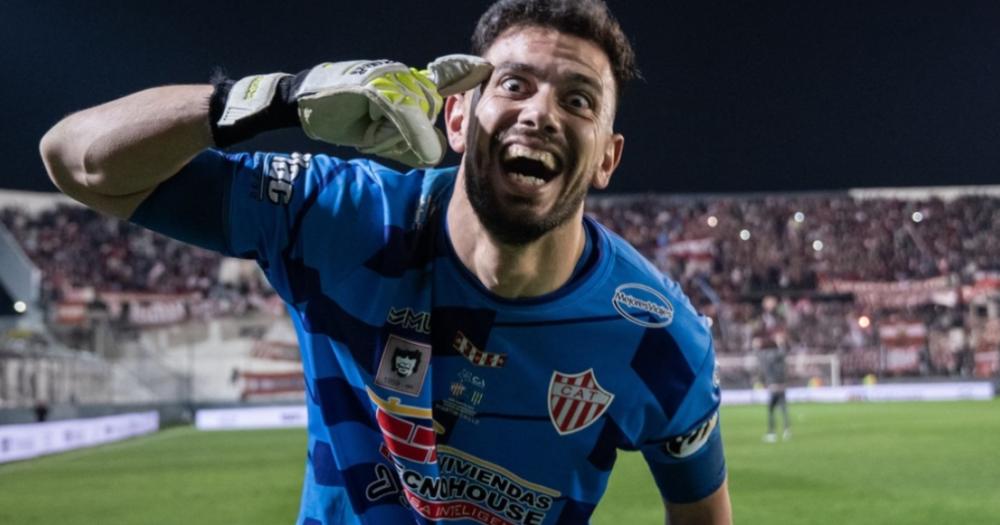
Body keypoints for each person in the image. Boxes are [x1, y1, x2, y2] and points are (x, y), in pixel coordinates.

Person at [40, 0, 731, 523]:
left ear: (606, 156)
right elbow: (77, 160)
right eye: (514, 85)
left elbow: (703, 514)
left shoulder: (656, 335)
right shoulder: (340, 215)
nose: (540, 113)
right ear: (457, 119)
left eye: (578, 99)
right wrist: (274, 97)